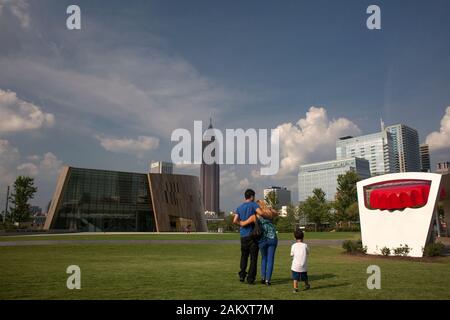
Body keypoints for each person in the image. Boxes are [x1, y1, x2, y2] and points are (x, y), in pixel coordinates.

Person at [238, 200, 278, 285]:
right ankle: (268, 280)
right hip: (272, 237)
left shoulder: (256, 215)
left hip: (262, 239)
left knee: (264, 258)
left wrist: (240, 222)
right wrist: (269, 208)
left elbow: (244, 223)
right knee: (270, 259)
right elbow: (276, 213)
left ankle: (263, 278)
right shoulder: (269, 213)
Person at [233, 189, 267, 285]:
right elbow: (261, 213)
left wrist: (242, 223)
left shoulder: (239, 207)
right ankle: (250, 278)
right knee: (253, 258)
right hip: (252, 235)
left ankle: (242, 275)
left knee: (244, 256)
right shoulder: (253, 205)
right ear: (252, 196)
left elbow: (235, 220)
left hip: (243, 235)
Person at [291, 229, 310, 293]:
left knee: (295, 278)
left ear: (294, 237)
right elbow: (308, 252)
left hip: (295, 265)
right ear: (303, 237)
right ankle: (307, 285)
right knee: (305, 277)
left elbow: (291, 254)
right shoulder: (305, 245)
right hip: (303, 265)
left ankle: (295, 288)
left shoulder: (293, 245)